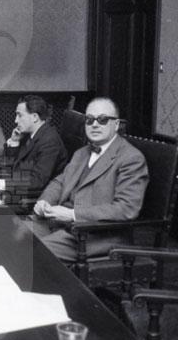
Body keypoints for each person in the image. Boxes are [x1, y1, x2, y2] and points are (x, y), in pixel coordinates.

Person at [30, 97, 149, 262]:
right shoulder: (81, 153)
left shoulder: (131, 158)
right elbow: (60, 182)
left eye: (103, 119)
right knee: (12, 235)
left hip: (95, 236)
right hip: (60, 225)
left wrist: (72, 215)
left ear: (116, 124)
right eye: (90, 119)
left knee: (30, 253)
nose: (95, 124)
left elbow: (126, 209)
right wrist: (45, 201)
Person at [0, 95, 67, 200]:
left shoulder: (50, 141)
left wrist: (2, 184)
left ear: (34, 117)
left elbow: (37, 181)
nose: (16, 120)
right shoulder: (29, 134)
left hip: (35, 199)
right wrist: (14, 142)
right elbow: (13, 168)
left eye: (20, 115)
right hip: (19, 190)